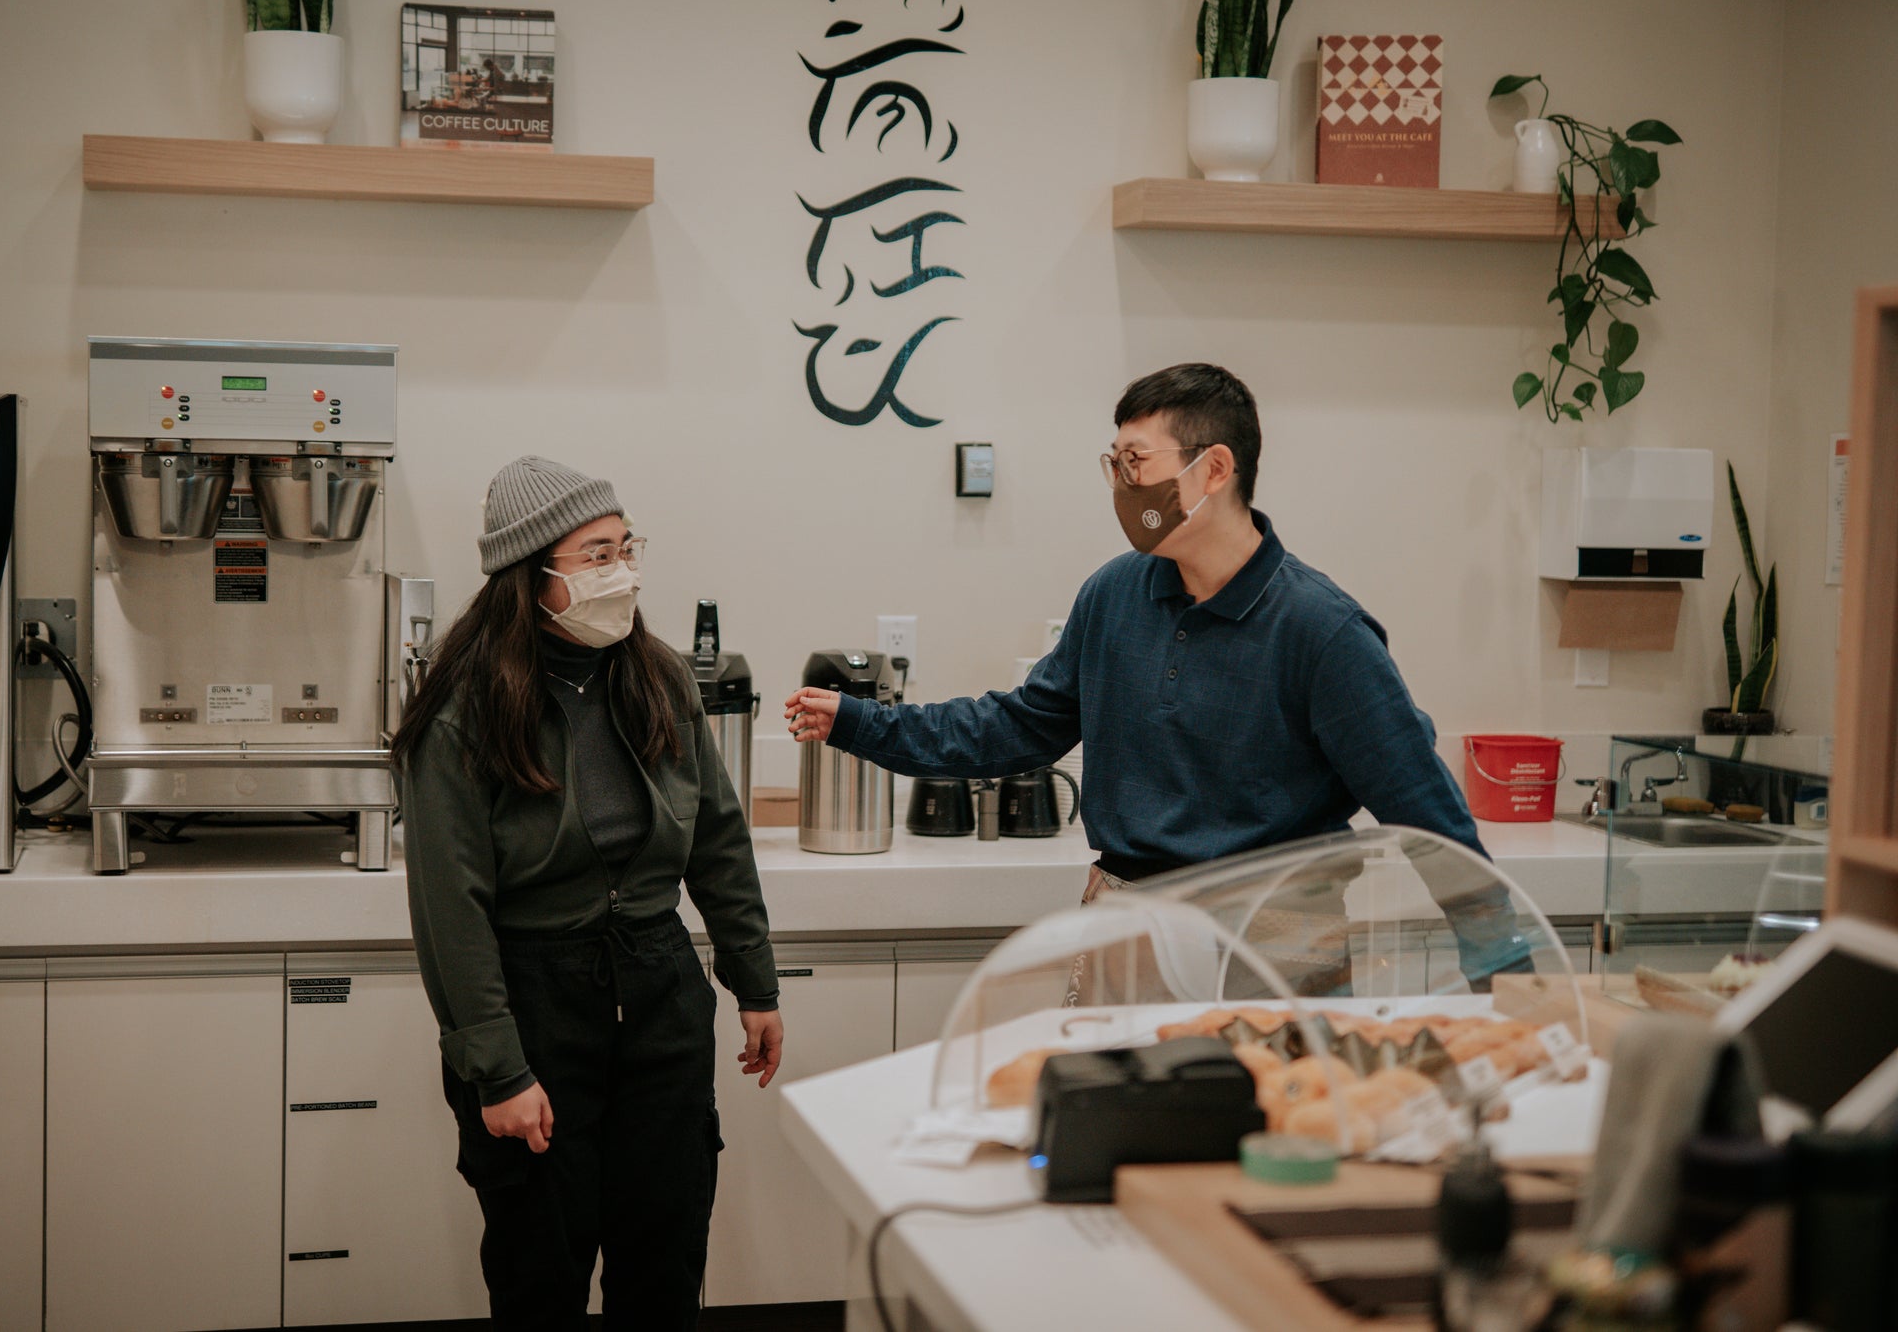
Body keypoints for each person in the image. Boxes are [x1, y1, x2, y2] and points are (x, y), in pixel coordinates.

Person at [784, 363, 1529, 989]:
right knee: (1108, 1138)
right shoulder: (1115, 593)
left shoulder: (1321, 629)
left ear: (1214, 469)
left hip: (1276, 931)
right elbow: (1017, 726)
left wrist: (1504, 967)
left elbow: (1422, 805)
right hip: (1127, 913)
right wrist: (860, 722)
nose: (1121, 483)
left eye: (1136, 462)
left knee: (1262, 1146)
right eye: (1114, 463)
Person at [395, 456, 784, 1330]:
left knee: (665, 1253)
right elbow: (450, 910)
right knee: (543, 1267)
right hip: (536, 1000)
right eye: (595, 555)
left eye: (625, 548)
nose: (622, 573)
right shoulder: (465, 710)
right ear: (532, 579)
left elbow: (718, 840)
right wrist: (499, 1070)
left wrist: (754, 982)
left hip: (658, 988)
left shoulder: (660, 678)